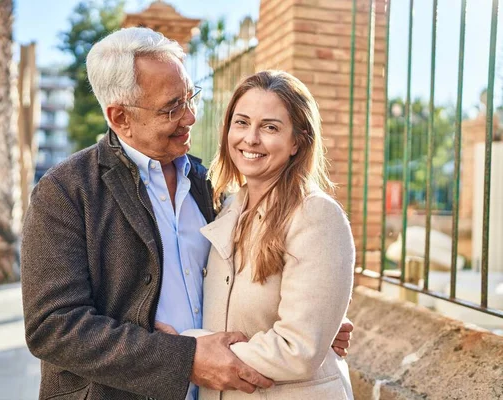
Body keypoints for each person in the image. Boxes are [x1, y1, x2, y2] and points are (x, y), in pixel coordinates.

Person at [21, 27, 352, 400]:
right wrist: (186, 360)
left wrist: (315, 318)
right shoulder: (65, 191)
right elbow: (53, 326)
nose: (191, 116)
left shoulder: (208, 185)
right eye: (171, 108)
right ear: (120, 117)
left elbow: (249, 283)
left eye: (190, 98)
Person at [164, 71, 355, 399]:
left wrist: (191, 352)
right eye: (241, 122)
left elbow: (299, 349)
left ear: (298, 140)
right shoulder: (227, 208)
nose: (250, 139)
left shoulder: (316, 215)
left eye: (270, 127)